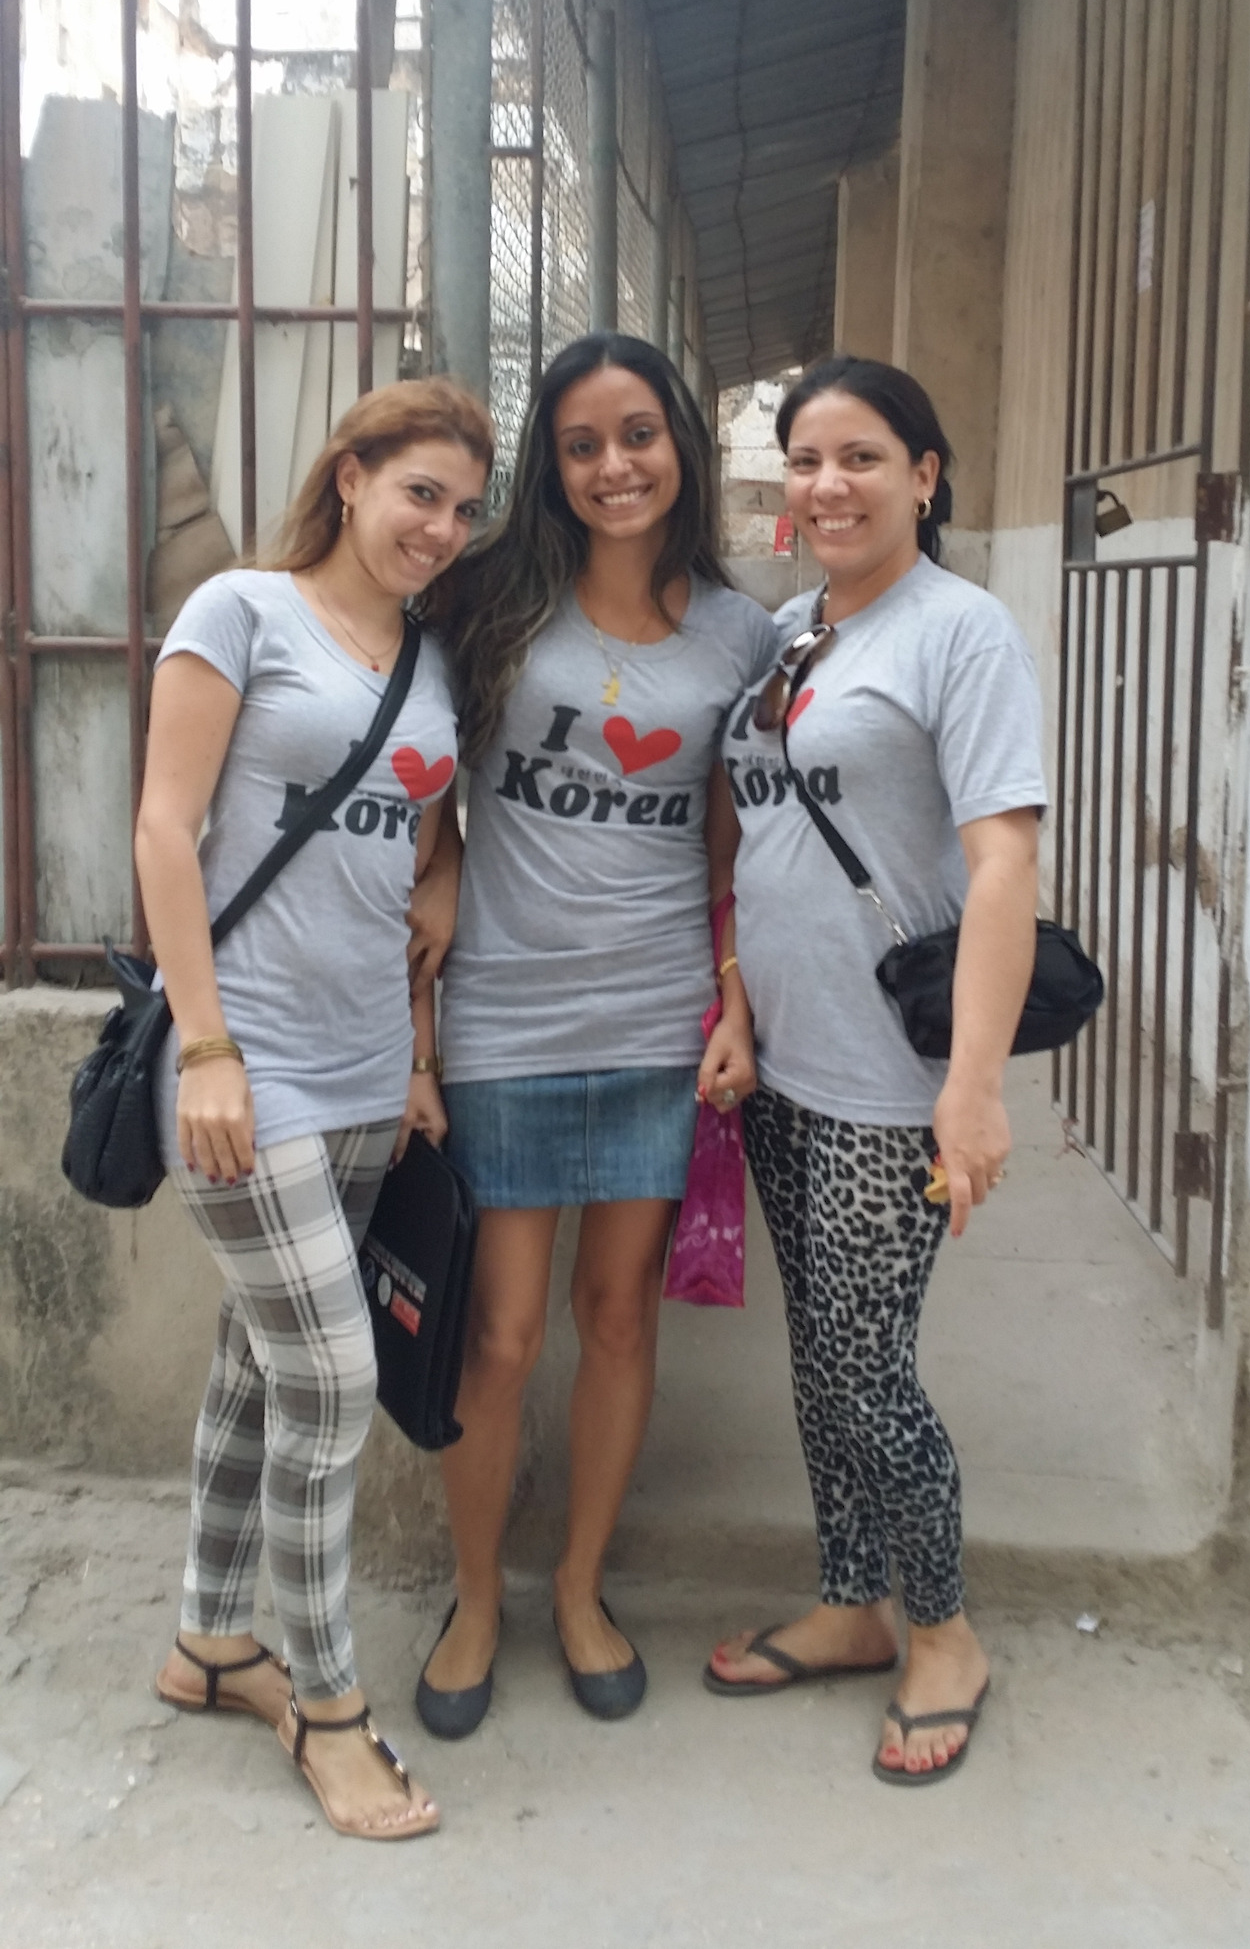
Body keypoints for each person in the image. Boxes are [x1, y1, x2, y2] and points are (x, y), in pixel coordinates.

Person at [139, 380, 492, 1841]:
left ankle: (210, 1639)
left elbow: (417, 843)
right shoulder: (240, 612)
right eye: (420, 494)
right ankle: (329, 1708)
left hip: (365, 1069)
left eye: (464, 510)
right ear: (350, 478)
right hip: (249, 1067)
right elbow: (165, 828)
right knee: (337, 1385)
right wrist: (206, 1046)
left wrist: (417, 1048)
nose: (442, 529)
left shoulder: (430, 661)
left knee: (258, 1363)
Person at [411, 332, 777, 1737]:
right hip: (505, 1013)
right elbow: (421, 767)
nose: (613, 466)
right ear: (549, 466)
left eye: (637, 435)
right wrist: (442, 869)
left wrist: (734, 997)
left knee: (618, 1316)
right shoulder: (490, 598)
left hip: (655, 1020)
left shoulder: (739, 637)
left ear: (680, 443)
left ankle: (578, 1588)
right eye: (580, 445)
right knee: (499, 1338)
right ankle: (475, 1597)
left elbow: (730, 846)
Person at [703, 356, 1045, 1786]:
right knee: (823, 1354)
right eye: (806, 459)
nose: (829, 484)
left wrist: (974, 1085)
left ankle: (944, 1631)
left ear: (925, 474)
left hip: (890, 1081)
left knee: (867, 1368)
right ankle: (853, 1602)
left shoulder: (960, 633)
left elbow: (1005, 862)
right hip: (784, 1064)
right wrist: (736, 1003)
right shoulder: (795, 632)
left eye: (861, 457)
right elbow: (756, 835)